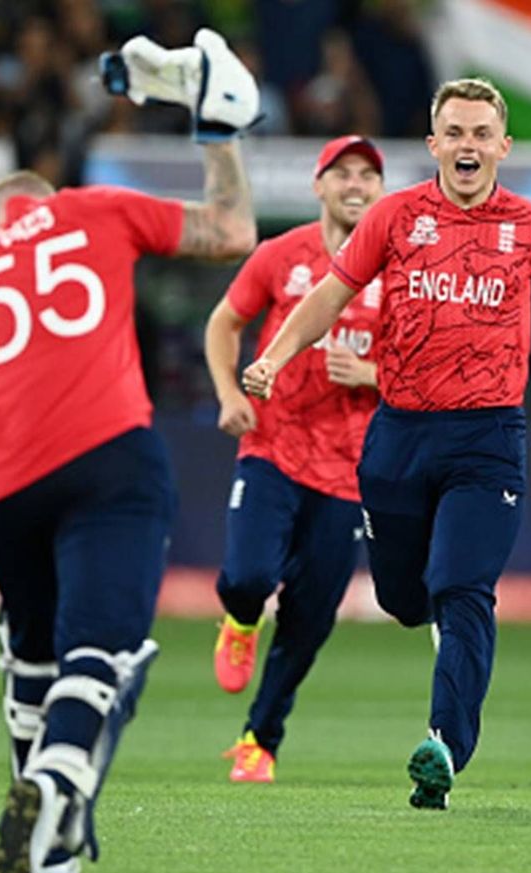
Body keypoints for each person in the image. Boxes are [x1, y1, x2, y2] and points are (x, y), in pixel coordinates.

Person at [0, 30, 259, 873]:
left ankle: (55, 848)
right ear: (47, 201)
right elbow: (231, 230)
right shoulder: (92, 209)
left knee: (32, 655)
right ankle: (54, 783)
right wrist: (219, 134)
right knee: (99, 656)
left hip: (4, 491)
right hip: (110, 458)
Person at [241, 78, 531, 811]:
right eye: (455, 132)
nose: (468, 145)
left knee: (463, 588)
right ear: (433, 144)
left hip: (488, 440)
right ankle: (428, 623)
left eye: (482, 133)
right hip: (399, 435)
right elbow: (329, 295)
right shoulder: (394, 216)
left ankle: (444, 749)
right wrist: (273, 357)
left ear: (503, 146)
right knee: (403, 599)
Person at [203, 135, 386, 784]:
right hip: (273, 447)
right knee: (247, 575)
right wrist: (229, 394)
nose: (356, 184)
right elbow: (223, 323)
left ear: (381, 189)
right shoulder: (281, 255)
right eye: (343, 173)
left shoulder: (400, 272)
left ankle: (259, 740)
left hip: (350, 473)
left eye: (368, 174)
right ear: (319, 186)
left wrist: (371, 374)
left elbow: (428, 371)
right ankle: (240, 618)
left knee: (310, 620)